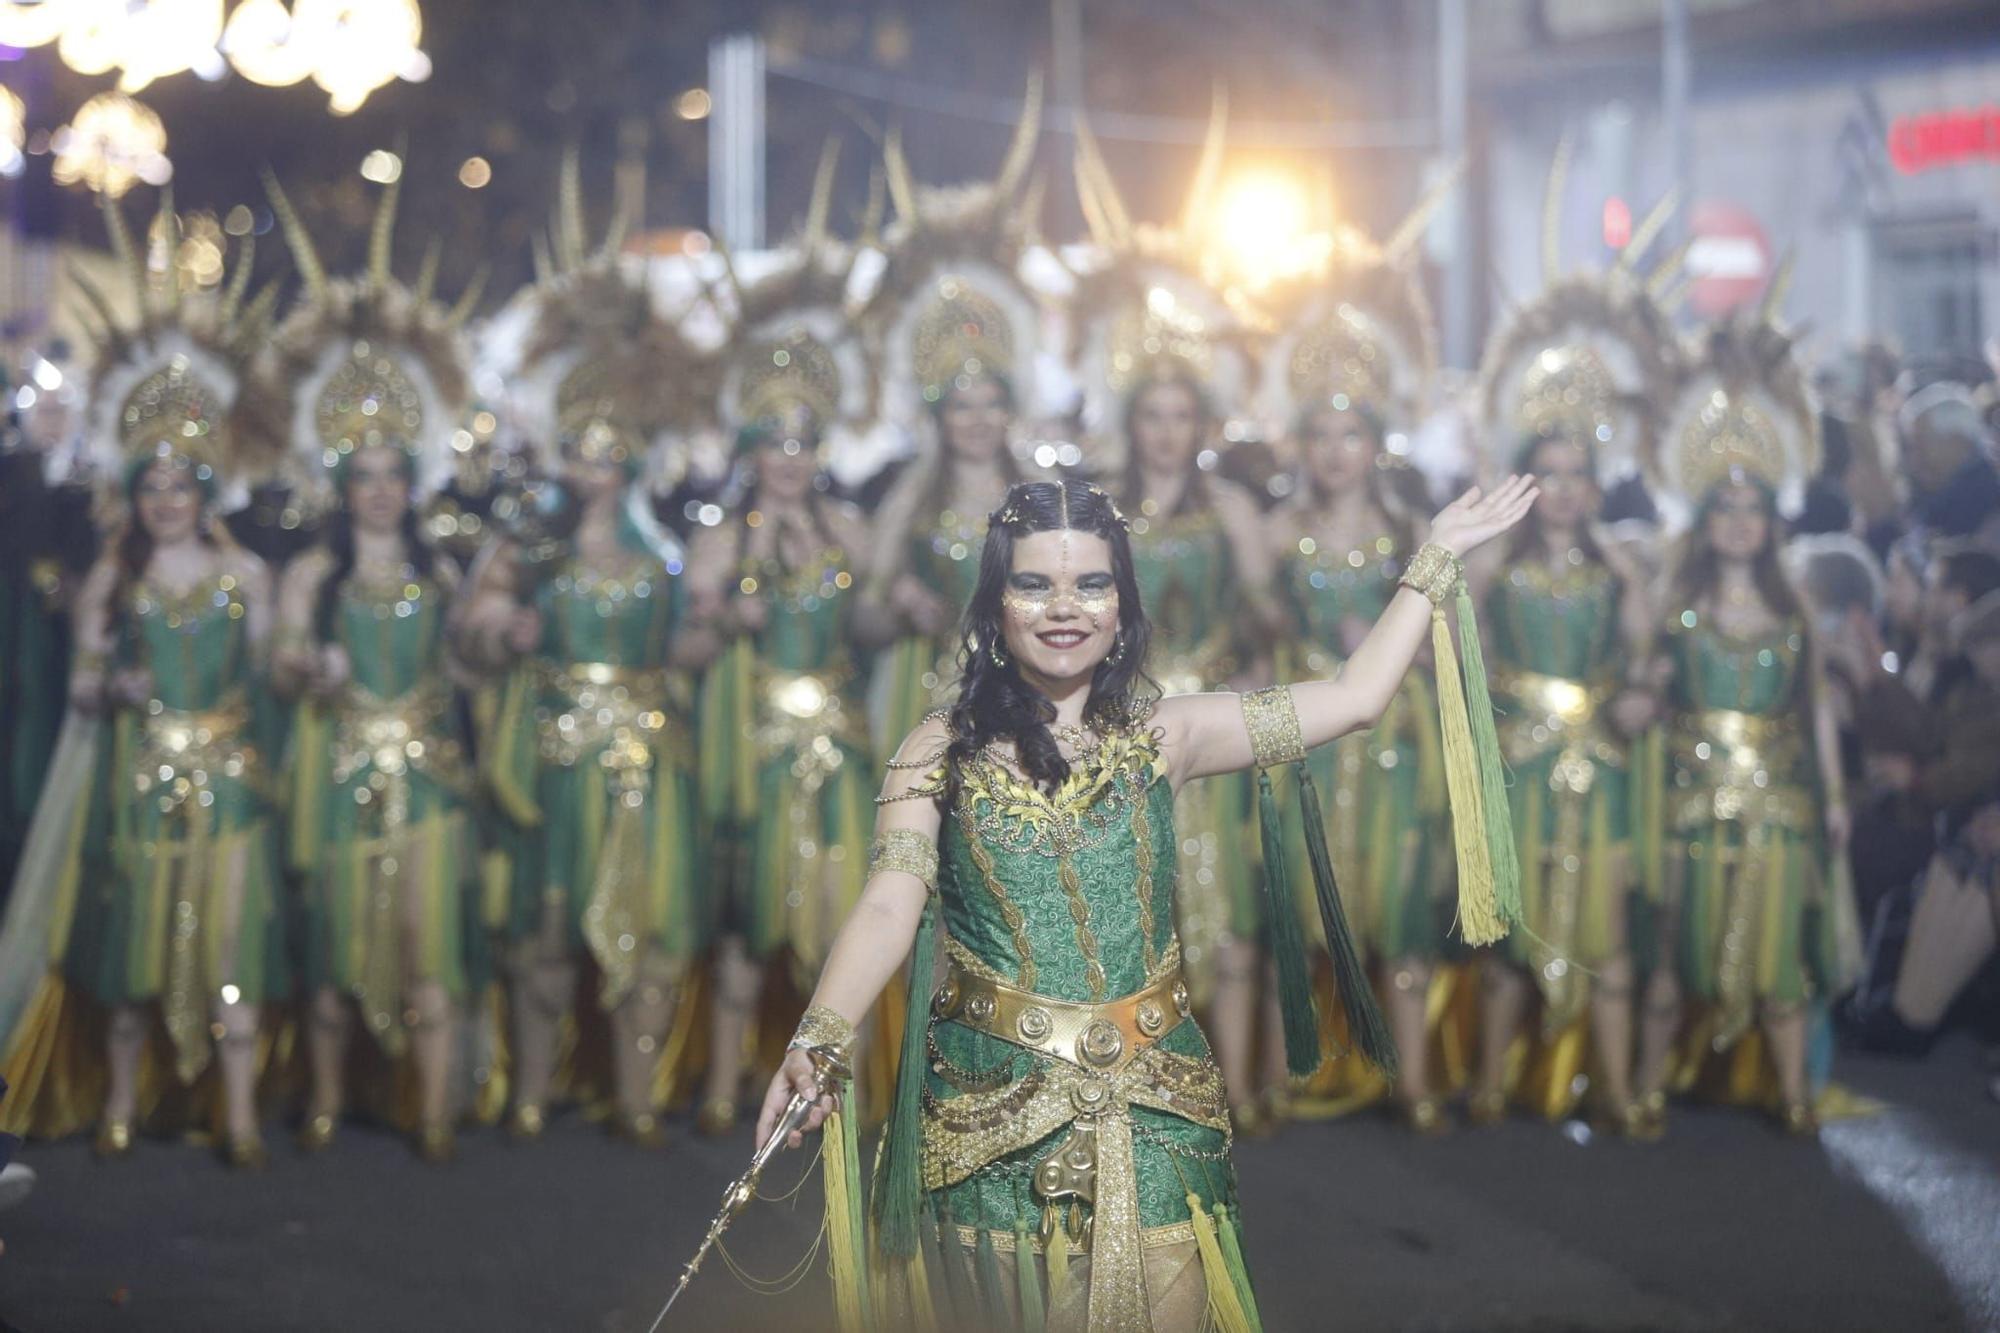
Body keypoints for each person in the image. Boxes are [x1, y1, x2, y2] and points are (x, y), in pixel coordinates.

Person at [754, 474, 1535, 1331]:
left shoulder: (1168, 732)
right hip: (990, 1113)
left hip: (1156, 1106)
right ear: (994, 603)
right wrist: (820, 1036)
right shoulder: (936, 748)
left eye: (1092, 583)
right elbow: (888, 906)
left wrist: (1436, 557)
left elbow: (1352, 699)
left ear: (1122, 604)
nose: (1065, 607)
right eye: (1033, 583)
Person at [458, 399, 712, 1148]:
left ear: (628, 467)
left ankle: (637, 1098)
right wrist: (506, 628)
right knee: (547, 926)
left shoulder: (663, 551)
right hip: (556, 760)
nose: (591, 472)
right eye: (580, 454)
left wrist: (706, 635)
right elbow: (470, 628)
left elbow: (683, 649)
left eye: (607, 457)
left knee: (648, 925)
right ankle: (531, 1093)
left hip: (644, 764)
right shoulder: (529, 545)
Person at [1640, 315, 1851, 1136]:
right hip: (1692, 800)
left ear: (1772, 518)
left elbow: (1816, 711)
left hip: (1781, 804)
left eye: (1751, 506)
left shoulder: (1795, 610)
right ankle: (1647, 1087)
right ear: (1703, 516)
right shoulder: (1677, 607)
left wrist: (1833, 795)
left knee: (1778, 961)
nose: (1736, 520)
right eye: (1722, 505)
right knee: (1673, 952)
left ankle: (1795, 1093)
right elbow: (1649, 695)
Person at [274, 432, 476, 1161]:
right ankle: (326, 1099)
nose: (381, 489)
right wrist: (309, 669)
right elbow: (281, 664)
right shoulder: (313, 573)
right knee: (336, 944)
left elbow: (468, 665)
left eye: (394, 474)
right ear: (344, 487)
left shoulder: (441, 572)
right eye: (365, 476)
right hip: (341, 780)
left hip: (427, 783)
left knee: (429, 945)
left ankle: (432, 1109)